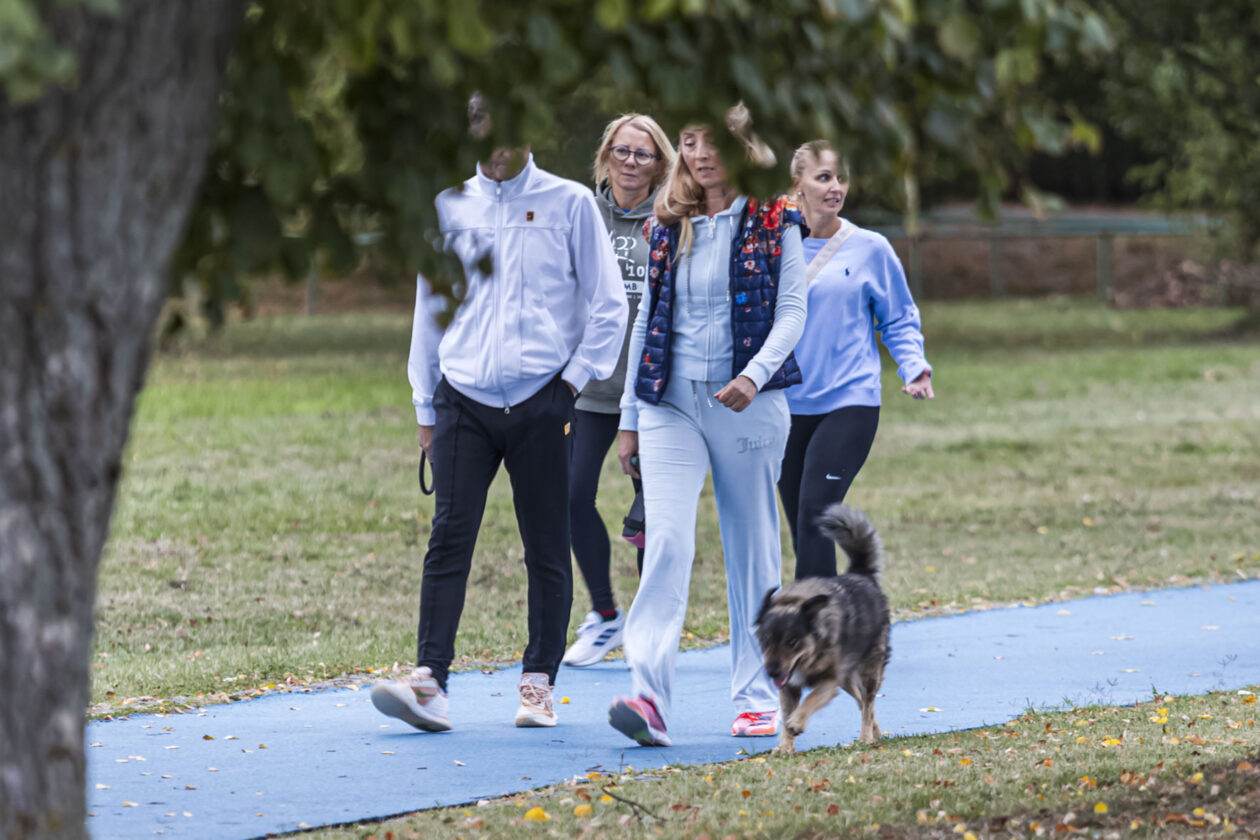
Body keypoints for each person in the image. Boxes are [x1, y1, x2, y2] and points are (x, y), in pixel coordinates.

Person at [371, 98, 628, 733]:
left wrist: (569, 386)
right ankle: (430, 681)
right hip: (462, 400)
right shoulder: (449, 207)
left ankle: (539, 683)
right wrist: (424, 404)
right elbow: (430, 310)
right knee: (448, 537)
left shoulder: (569, 203)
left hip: (544, 400)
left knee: (546, 544)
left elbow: (610, 305)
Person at [607, 107, 807, 746]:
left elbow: (792, 309)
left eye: (712, 141)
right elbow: (647, 321)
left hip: (747, 404)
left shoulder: (777, 218)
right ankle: (649, 696)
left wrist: (754, 375)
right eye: (689, 141)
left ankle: (757, 695)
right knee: (665, 541)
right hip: (671, 404)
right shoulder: (669, 223)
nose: (699, 153)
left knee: (752, 549)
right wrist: (630, 417)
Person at [778, 139, 934, 580]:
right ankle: (830, 624)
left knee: (815, 513)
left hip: (849, 400)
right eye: (823, 177)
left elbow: (899, 317)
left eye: (841, 177)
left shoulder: (870, 248)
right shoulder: (773, 245)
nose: (836, 187)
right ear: (798, 184)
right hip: (785, 405)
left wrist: (914, 365)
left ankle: (815, 630)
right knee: (804, 527)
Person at [562, 114, 676, 668]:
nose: (631, 162)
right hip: (590, 386)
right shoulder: (582, 212)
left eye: (644, 154)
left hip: (652, 391)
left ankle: (648, 632)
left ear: (661, 164)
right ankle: (606, 616)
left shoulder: (673, 218)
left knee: (648, 517)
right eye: (623, 151)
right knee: (569, 495)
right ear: (606, 154)